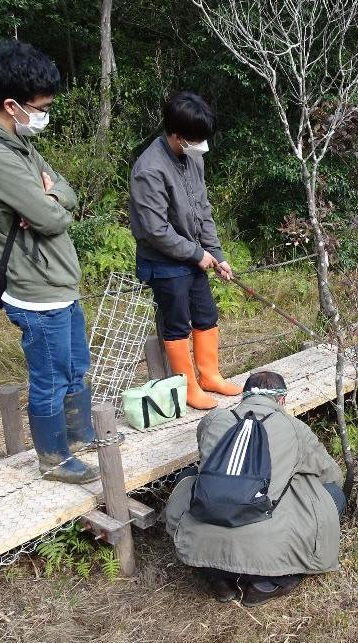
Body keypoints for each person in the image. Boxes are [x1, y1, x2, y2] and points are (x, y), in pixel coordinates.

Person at [0, 41, 98, 484]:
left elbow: (66, 193)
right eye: (41, 107)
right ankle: (54, 457)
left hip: (59, 282)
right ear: (11, 105)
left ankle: (79, 438)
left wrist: (50, 192)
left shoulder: (16, 143)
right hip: (36, 289)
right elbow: (52, 217)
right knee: (50, 378)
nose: (44, 115)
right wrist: (49, 200)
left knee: (75, 367)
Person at [164, 371, 346, 606]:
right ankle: (265, 584)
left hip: (202, 551)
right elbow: (330, 475)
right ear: (282, 400)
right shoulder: (294, 427)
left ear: (244, 397)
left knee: (189, 476)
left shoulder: (213, 420)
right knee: (333, 496)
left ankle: (216, 577)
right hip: (265, 557)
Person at [129, 91, 241, 410]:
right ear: (177, 135)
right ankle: (188, 387)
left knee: (206, 315)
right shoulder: (148, 169)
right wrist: (197, 254)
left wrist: (216, 255)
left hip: (193, 258)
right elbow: (155, 230)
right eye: (196, 139)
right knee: (177, 324)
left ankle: (209, 376)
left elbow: (202, 211)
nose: (201, 146)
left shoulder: (193, 157)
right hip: (164, 262)